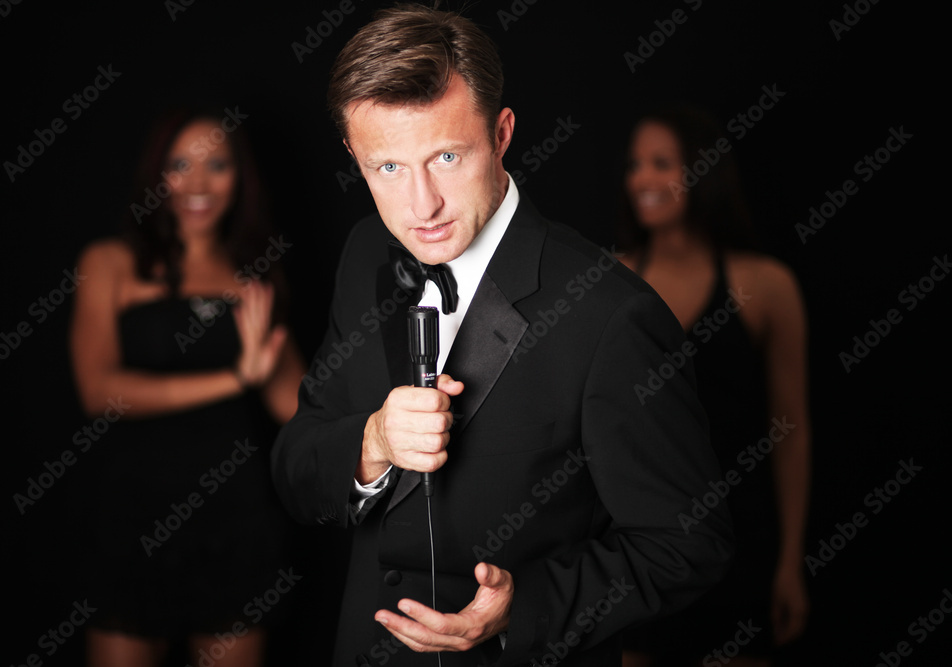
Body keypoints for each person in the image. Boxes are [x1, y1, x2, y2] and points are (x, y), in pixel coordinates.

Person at [271, 6, 734, 666]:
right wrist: (373, 442)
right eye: (388, 168)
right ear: (353, 156)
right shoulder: (366, 252)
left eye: (446, 157)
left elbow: (689, 544)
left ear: (502, 133)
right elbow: (295, 466)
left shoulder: (612, 314)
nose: (422, 205)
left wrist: (526, 607)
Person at [69, 106, 307, 667]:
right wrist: (234, 378)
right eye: (180, 165)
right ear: (157, 175)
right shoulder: (110, 263)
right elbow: (99, 392)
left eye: (217, 165)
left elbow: (298, 411)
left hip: (237, 519)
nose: (198, 183)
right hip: (133, 517)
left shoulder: (256, 275)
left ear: (239, 177)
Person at [616, 105, 811, 666]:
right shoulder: (609, 280)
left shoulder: (766, 285)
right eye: (634, 164)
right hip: (637, 547)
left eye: (661, 163)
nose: (642, 178)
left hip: (739, 543)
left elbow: (791, 431)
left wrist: (790, 561)